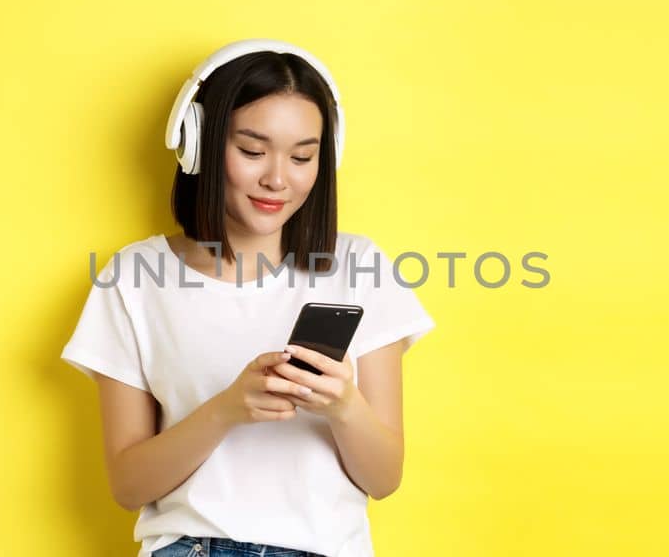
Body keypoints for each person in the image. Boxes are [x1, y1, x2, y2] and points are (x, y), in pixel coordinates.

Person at [60, 38, 434, 557]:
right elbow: (128, 486)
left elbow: (384, 478)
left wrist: (344, 405)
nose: (277, 178)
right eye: (253, 151)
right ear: (199, 145)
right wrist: (227, 410)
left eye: (303, 156)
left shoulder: (360, 267)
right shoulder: (133, 277)